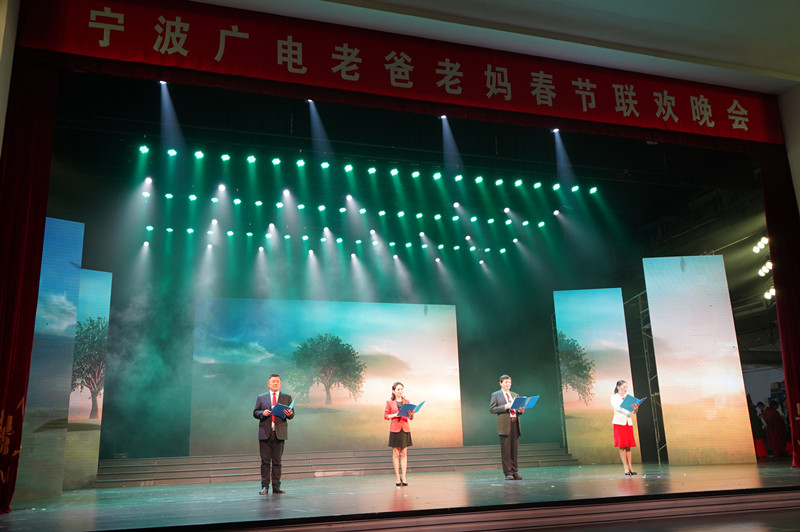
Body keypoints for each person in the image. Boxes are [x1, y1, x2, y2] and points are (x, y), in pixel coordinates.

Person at [253, 374, 295, 495]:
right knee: (265, 462)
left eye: (277, 381)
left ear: (280, 383)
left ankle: (276, 487)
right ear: (269, 384)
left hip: (279, 433)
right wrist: (262, 413)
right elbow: (255, 412)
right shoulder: (261, 398)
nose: (275, 383)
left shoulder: (287, 397)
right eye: (273, 381)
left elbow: (292, 415)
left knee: (277, 462)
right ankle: (264, 487)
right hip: (265, 433)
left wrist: (290, 414)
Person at [489, 374, 525, 480]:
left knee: (514, 450)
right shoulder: (496, 395)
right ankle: (508, 473)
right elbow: (492, 409)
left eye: (509, 382)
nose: (508, 384)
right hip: (504, 425)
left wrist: (521, 410)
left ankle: (515, 471)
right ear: (501, 383)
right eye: (506, 382)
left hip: (515, 423)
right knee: (506, 451)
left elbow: (518, 410)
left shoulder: (515, 394)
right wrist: (505, 406)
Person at [384, 381, 414, 486]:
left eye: (401, 389)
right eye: (398, 389)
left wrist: (411, 414)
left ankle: (404, 477)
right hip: (395, 429)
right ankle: (397, 477)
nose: (400, 391)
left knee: (404, 453)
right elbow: (386, 416)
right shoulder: (389, 402)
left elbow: (410, 418)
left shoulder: (407, 401)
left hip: (405, 429)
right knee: (396, 453)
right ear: (394, 391)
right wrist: (395, 414)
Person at [611, 379, 639, 476]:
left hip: (628, 423)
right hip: (619, 423)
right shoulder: (614, 397)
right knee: (622, 446)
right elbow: (618, 408)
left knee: (628, 446)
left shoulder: (628, 396)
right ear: (618, 387)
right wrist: (628, 407)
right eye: (623, 387)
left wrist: (635, 409)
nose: (625, 389)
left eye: (626, 387)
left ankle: (630, 467)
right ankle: (625, 467)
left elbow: (633, 412)